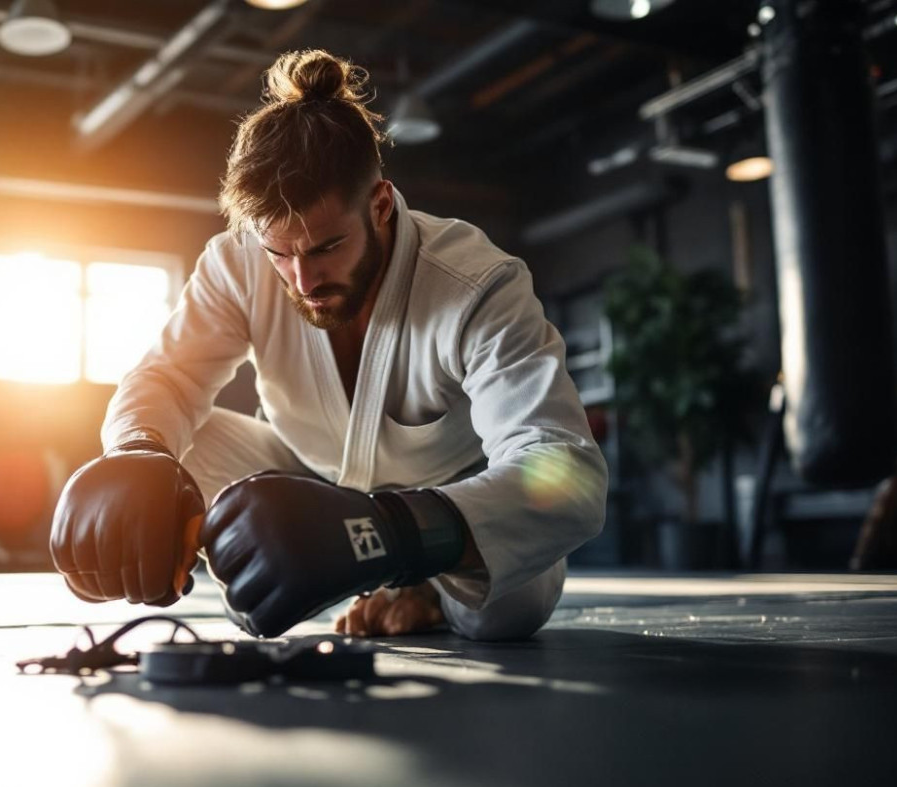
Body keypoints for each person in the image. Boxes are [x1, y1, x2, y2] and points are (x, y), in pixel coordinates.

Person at [49, 49, 608, 640]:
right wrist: (136, 452)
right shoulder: (237, 263)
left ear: (381, 205)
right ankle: (319, 562)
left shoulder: (476, 286)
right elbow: (169, 378)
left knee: (507, 611)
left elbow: (568, 470)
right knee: (171, 444)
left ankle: (421, 586)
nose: (301, 280)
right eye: (278, 253)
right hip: (307, 477)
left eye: (324, 248)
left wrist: (389, 535)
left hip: (448, 495)